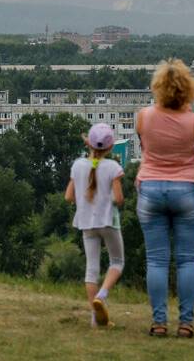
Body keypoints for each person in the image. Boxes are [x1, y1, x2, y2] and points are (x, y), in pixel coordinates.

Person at [134, 59, 194, 338]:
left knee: (156, 261)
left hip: (151, 189)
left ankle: (159, 322)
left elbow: (144, 143)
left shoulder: (144, 117)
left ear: (158, 87)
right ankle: (186, 323)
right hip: (185, 189)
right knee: (187, 260)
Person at [64, 122, 125, 328]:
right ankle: (102, 295)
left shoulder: (77, 165)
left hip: (86, 223)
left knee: (91, 270)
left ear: (88, 143)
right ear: (110, 147)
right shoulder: (113, 167)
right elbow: (119, 199)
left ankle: (95, 318)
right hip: (109, 222)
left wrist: (85, 201)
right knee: (117, 262)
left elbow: (68, 196)